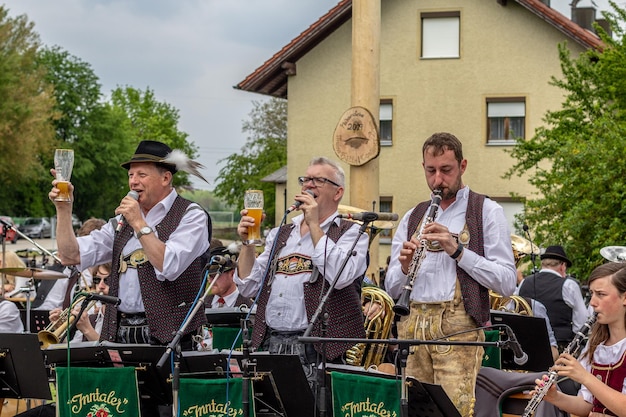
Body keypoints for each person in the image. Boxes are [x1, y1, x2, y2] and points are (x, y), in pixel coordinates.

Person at [384, 132, 517, 417]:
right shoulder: (412, 216)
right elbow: (391, 288)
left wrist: (458, 251)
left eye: (446, 170)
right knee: (416, 412)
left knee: (456, 411)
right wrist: (405, 268)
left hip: (460, 331)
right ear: (423, 167)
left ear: (463, 166)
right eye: (431, 171)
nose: (437, 180)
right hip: (413, 331)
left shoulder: (487, 211)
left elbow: (507, 282)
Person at [48, 140, 210, 348]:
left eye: (142, 175)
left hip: (172, 338)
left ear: (165, 178)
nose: (133, 182)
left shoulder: (191, 215)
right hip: (118, 332)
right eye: (130, 176)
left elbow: (168, 265)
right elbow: (70, 256)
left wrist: (138, 222)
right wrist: (63, 209)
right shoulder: (121, 222)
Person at [234, 156, 368, 387]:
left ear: (338, 193)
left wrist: (314, 224)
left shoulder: (353, 233)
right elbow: (248, 285)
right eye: (305, 179)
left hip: (319, 349)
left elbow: (341, 276)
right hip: (272, 341)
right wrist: (247, 244)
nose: (308, 185)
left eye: (318, 180)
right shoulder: (282, 232)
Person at [531, 261, 626, 417]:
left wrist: (585, 377)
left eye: (601, 294)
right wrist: (555, 397)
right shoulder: (595, 345)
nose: (593, 303)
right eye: (592, 294)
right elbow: (587, 406)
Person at [518, 245, 588, 351]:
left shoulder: (524, 282)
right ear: (563, 266)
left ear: (543, 264)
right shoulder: (569, 285)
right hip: (559, 348)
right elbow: (581, 322)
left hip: (526, 346)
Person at [48, 263, 111, 342]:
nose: (101, 286)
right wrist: (60, 330)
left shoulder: (122, 321)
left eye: (107, 280)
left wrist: (87, 329)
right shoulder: (93, 318)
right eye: (97, 280)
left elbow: (111, 352)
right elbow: (74, 349)